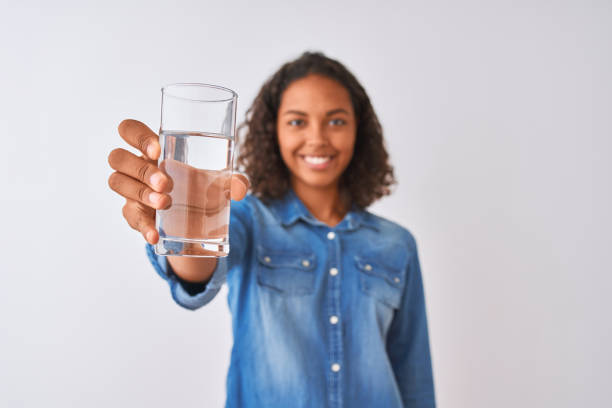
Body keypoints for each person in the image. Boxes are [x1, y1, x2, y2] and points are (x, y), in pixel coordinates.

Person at [107, 52, 436, 408]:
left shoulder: (397, 245)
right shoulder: (248, 221)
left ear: (360, 130)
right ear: (272, 130)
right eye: (297, 122)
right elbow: (196, 270)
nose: (317, 138)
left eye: (336, 121)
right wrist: (185, 212)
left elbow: (413, 378)